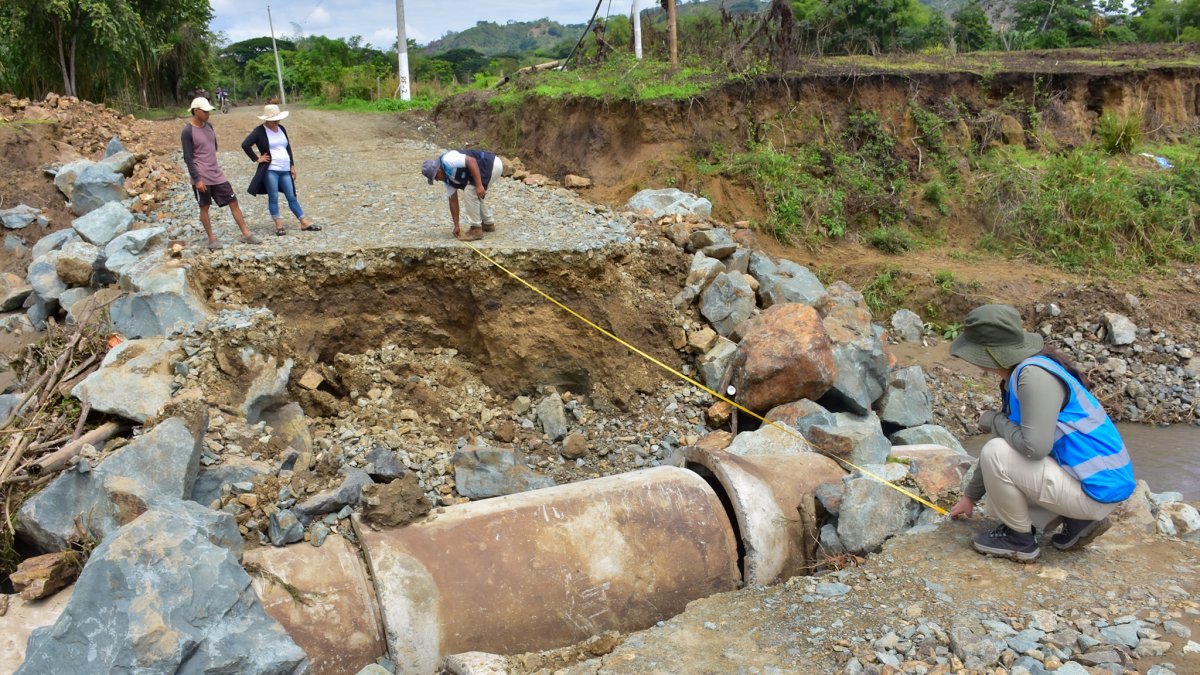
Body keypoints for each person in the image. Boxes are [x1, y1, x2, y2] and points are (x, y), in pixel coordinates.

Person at [947, 304, 1135, 562]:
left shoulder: (1032, 377)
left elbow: (1033, 449)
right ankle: (1076, 519)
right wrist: (970, 497)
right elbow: (1009, 438)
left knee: (997, 456)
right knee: (999, 472)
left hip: (1096, 493)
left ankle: (1020, 540)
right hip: (1095, 485)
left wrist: (993, 420)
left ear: (988, 354)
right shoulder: (1025, 371)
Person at [180, 97, 260, 250]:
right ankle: (211, 238)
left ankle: (246, 234)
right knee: (204, 206)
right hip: (201, 176)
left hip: (216, 173)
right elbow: (188, 157)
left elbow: (212, 147)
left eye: (209, 111)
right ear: (196, 111)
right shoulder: (187, 131)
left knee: (233, 201)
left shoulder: (209, 126)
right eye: (205, 111)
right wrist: (197, 179)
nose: (208, 114)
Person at [241, 104, 320, 236]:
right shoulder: (260, 131)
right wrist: (257, 158)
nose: (277, 122)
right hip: (271, 170)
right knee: (273, 197)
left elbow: (287, 147)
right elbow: (245, 145)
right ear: (267, 119)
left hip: (285, 169)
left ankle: (304, 222)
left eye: (278, 119)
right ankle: (278, 224)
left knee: (291, 196)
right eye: (274, 119)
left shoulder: (282, 128)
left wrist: (292, 165)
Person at [420, 149, 503, 241]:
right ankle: (488, 224)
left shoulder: (448, 159)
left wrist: (479, 185)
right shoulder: (447, 180)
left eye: (435, 177)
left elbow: (471, 161)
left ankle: (476, 229)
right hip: (486, 167)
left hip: (491, 164)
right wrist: (456, 225)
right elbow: (453, 201)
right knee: (473, 191)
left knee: (470, 191)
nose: (436, 180)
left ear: (438, 170)